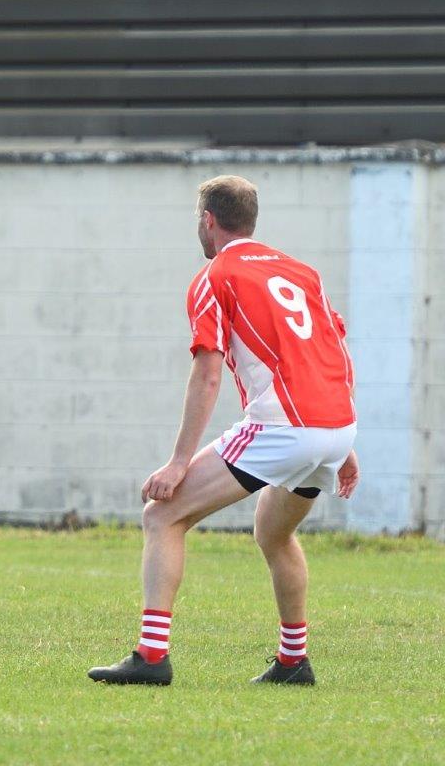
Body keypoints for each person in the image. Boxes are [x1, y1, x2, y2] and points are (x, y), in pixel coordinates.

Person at [88, 175, 359, 686]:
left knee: (162, 514)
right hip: (334, 425)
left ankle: (150, 658)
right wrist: (342, 441)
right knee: (274, 534)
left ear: (207, 221)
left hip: (284, 427)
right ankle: (293, 662)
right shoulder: (303, 272)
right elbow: (334, 352)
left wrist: (178, 462)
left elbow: (208, 373)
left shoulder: (216, 275)